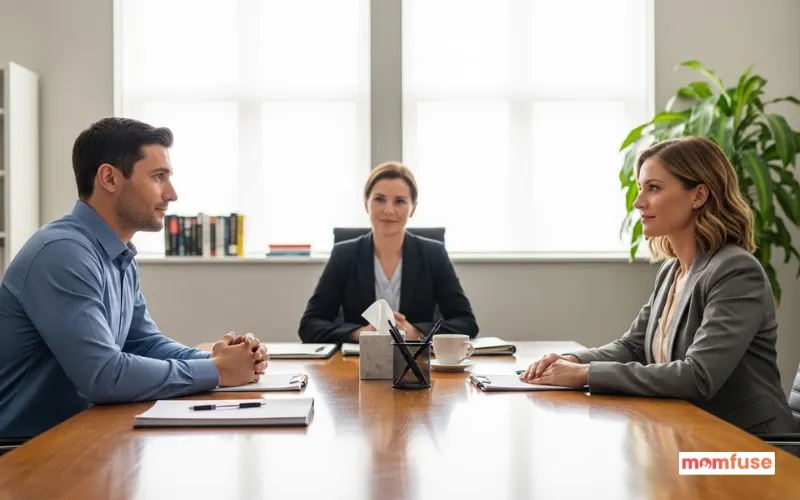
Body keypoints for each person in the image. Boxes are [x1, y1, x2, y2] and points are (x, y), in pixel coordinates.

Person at [0, 117, 268, 441]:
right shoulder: (63, 253)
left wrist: (225, 359)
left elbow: (144, 343)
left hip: (79, 438)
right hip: (21, 454)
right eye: (159, 177)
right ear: (109, 178)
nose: (172, 193)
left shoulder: (118, 253)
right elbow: (103, 375)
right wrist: (217, 371)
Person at [520, 136, 797, 435]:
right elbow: (633, 346)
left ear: (698, 195)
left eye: (654, 188)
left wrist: (584, 374)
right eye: (641, 189)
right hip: (692, 434)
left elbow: (698, 376)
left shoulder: (736, 271)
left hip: (751, 448)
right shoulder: (672, 271)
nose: (639, 203)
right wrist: (569, 361)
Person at [298, 161, 478, 343]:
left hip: (416, 363)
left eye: (399, 201)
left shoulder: (434, 254)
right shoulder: (344, 255)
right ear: (366, 204)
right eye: (379, 199)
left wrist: (415, 332)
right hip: (357, 363)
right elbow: (310, 325)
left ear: (413, 208)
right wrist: (360, 333)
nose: (388, 210)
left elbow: (466, 323)